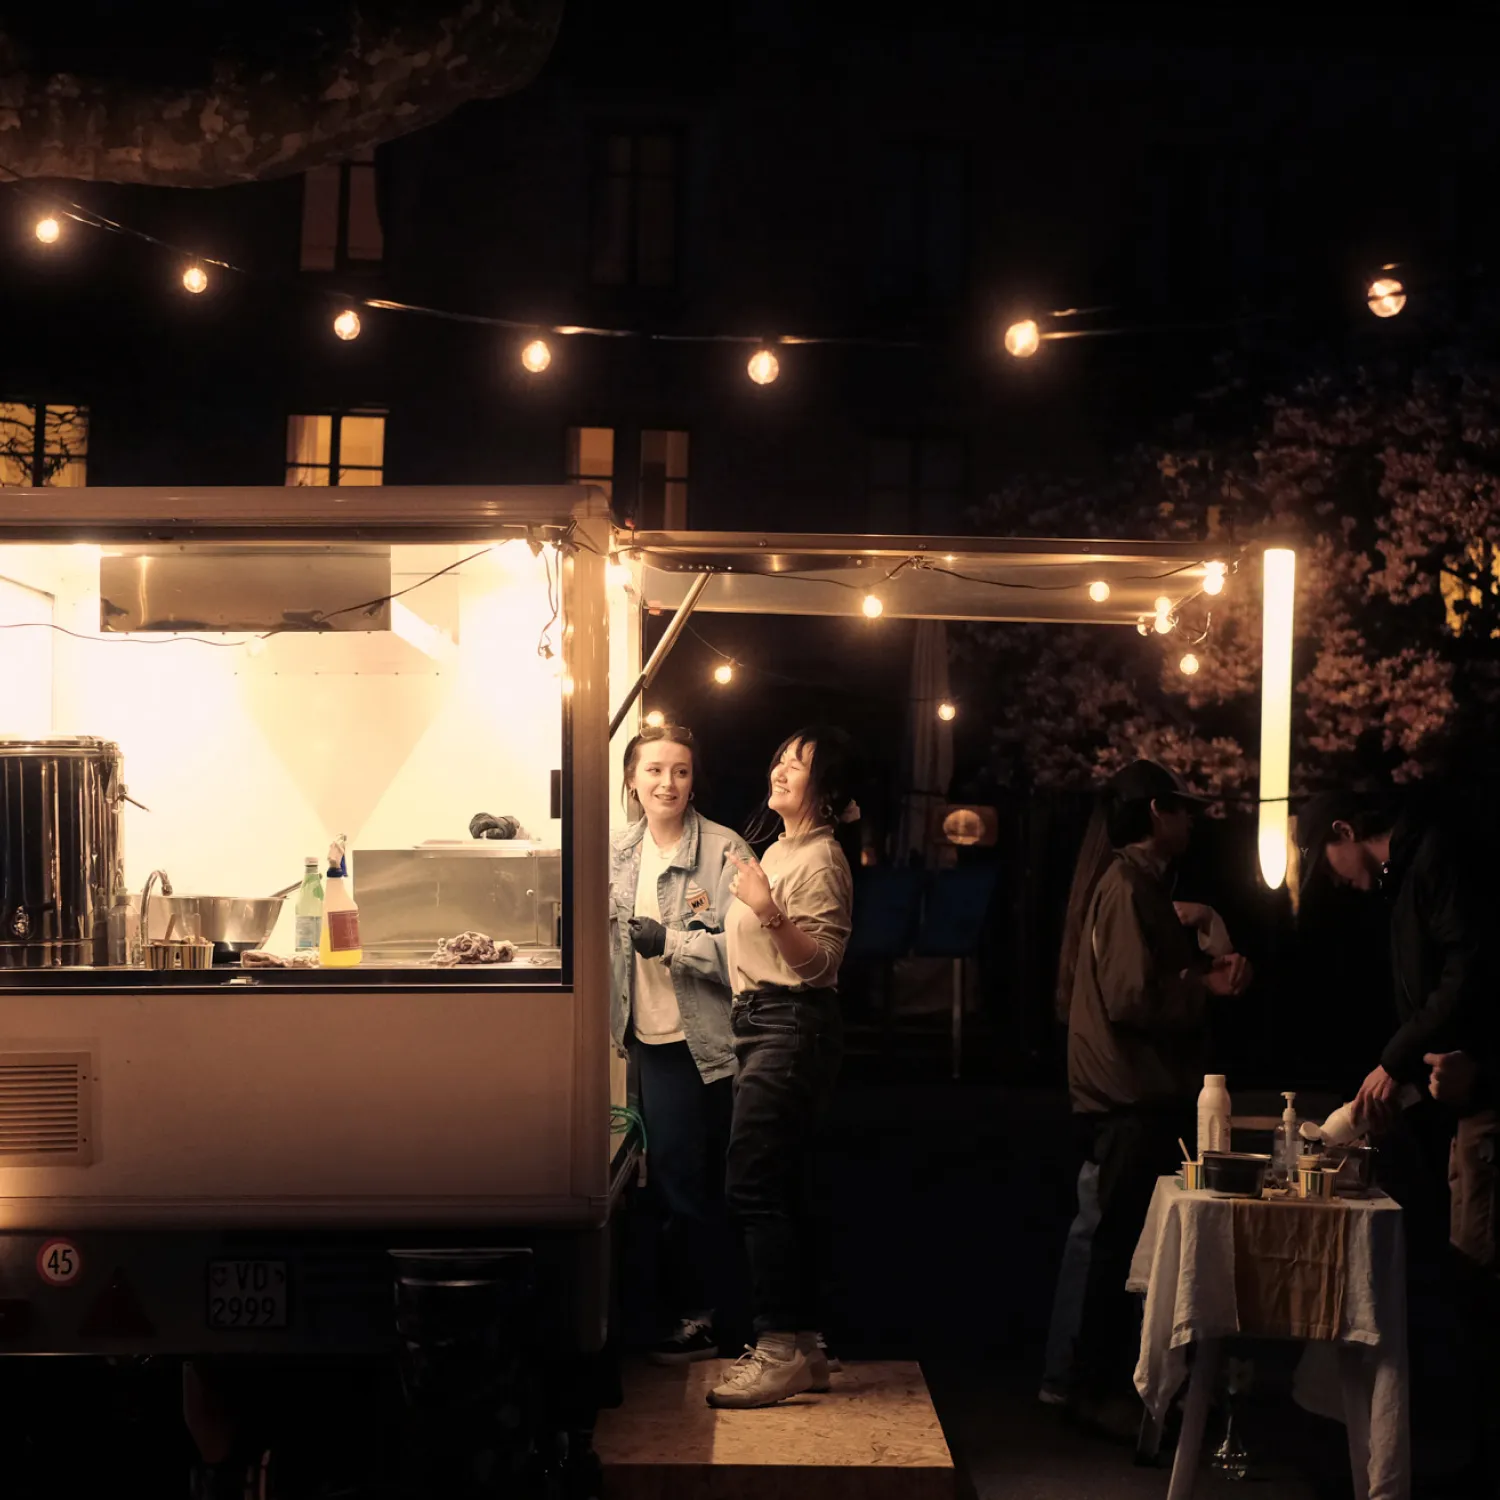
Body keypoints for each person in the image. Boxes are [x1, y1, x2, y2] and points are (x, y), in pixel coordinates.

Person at [1065, 760, 1252, 1438]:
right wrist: (1204, 986)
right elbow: (1128, 996)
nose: (1191, 821)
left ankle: (1111, 1388)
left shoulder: (1138, 884)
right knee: (1121, 1250)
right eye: (1181, 808)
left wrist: (1199, 967)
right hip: (1128, 1095)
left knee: (1126, 1247)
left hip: (1136, 1092)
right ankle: (1094, 1391)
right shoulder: (1125, 886)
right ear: (1154, 813)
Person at [706, 726, 857, 1410]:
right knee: (783, 1188)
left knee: (753, 1186)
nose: (782, 769)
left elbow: (820, 966)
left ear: (826, 788)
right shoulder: (778, 848)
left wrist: (767, 908)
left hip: (790, 1024)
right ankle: (806, 1349)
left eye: (800, 763)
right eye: (781, 759)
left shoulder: (821, 858)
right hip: (763, 1023)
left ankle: (776, 1352)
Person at [1296, 790, 1496, 1266]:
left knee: (1478, 1258)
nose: (1335, 880)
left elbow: (1466, 971)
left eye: (1328, 865)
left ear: (1345, 831)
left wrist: (1394, 1062)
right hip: (1456, 1098)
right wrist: (1402, 1084)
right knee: (1462, 1248)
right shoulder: (1404, 877)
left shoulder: (1432, 856)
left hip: (1484, 1097)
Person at [611, 723, 750, 1364]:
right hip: (639, 1038)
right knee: (659, 1183)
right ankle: (689, 1311)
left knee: (696, 1184)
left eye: (681, 771)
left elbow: (749, 955)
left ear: (695, 782)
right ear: (631, 780)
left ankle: (712, 1319)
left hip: (705, 1041)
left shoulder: (724, 850)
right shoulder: (615, 853)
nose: (667, 783)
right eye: (654, 770)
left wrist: (670, 943)